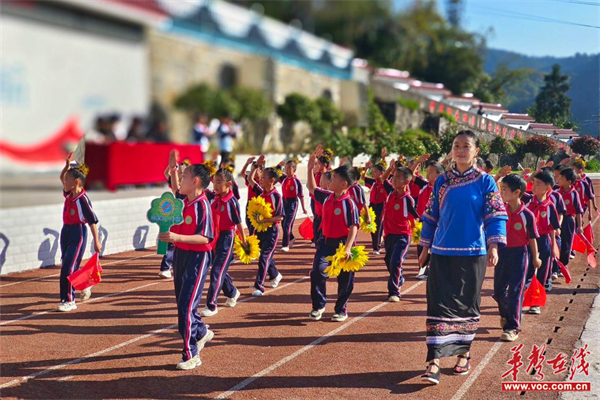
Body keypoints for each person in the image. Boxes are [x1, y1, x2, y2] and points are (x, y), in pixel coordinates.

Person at [419, 130, 508, 385]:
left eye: (465, 146)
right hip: (442, 252)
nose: (460, 150)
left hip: (472, 254)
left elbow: (496, 215)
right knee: (437, 305)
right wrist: (425, 247)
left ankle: (464, 354)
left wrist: (493, 246)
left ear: (476, 151)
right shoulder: (442, 181)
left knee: (466, 306)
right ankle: (433, 362)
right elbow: (431, 215)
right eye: (456, 146)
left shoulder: (485, 181)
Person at [158, 162, 215, 370]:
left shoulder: (202, 205)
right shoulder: (184, 202)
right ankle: (200, 331)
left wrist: (177, 236)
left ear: (195, 181)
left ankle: (191, 353)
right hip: (181, 255)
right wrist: (173, 170)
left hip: (198, 259)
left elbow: (205, 238)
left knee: (186, 306)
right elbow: (175, 190)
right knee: (183, 304)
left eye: (184, 177)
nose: (180, 181)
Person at [306, 145, 359, 322]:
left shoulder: (349, 204)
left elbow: (353, 227)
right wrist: (309, 168)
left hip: (343, 245)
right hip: (326, 243)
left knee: (345, 280)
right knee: (317, 272)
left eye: (334, 178)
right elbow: (311, 187)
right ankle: (318, 305)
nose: (330, 181)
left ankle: (341, 308)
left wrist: (348, 248)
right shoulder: (327, 196)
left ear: (343, 184)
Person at [494, 174, 540, 342]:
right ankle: (506, 315)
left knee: (515, 291)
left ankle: (513, 327)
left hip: (520, 254)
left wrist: (536, 257)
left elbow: (533, 238)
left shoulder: (527, 215)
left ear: (517, 192)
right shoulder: (500, 211)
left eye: (504, 189)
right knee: (498, 292)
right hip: (502, 254)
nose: (501, 192)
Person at [58, 152, 102, 312]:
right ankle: (84, 285)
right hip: (66, 232)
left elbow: (92, 221)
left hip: (78, 232)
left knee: (68, 267)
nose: (64, 181)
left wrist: (96, 240)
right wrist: (66, 167)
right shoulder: (69, 194)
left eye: (67, 180)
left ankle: (68, 300)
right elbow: (61, 178)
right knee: (69, 264)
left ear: (76, 182)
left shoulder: (83, 200)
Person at [201, 168, 245, 317]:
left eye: (219, 182)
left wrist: (244, 242)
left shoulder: (232, 201)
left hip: (227, 237)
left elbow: (239, 223)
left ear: (229, 184)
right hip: (214, 237)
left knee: (217, 271)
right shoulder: (213, 197)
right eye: (214, 181)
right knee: (218, 268)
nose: (215, 185)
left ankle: (211, 305)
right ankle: (232, 292)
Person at [381, 165, 419, 301]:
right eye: (393, 177)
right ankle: (399, 277)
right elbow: (382, 179)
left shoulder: (407, 199)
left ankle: (394, 291)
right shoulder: (390, 193)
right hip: (389, 235)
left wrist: (419, 229)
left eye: (397, 178)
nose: (394, 180)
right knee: (389, 261)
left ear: (406, 182)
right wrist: (389, 170)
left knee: (396, 261)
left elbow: (415, 216)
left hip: (403, 236)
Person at [248, 155, 284, 296]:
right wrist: (256, 166)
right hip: (260, 229)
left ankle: (259, 286)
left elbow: (280, 216)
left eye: (263, 178)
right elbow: (250, 179)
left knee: (264, 257)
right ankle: (275, 275)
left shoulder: (276, 196)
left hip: (272, 230)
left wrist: (265, 220)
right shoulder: (260, 192)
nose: (260, 180)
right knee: (264, 255)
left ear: (272, 181)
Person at [526, 171, 561, 303]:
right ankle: (524, 295)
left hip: (544, 240)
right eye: (533, 183)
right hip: (529, 241)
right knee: (527, 269)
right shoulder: (527, 200)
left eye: (538, 184)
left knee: (543, 271)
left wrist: (553, 246)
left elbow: (552, 227)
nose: (534, 187)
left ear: (547, 188)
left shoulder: (550, 206)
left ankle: (536, 302)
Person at [415, 161, 444, 280]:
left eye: (431, 172)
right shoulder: (424, 186)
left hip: (437, 221)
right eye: (427, 172)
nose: (427, 174)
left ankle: (433, 270)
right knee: (421, 245)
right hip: (423, 220)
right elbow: (410, 175)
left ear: (439, 175)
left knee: (435, 246)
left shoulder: (443, 189)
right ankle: (423, 269)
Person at [556, 168, 584, 269]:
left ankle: (563, 265)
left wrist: (579, 226)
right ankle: (555, 266)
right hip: (557, 221)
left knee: (566, 243)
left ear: (569, 182)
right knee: (556, 242)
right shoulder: (556, 191)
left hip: (568, 220)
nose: (558, 179)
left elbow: (578, 211)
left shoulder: (574, 194)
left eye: (561, 178)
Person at [280, 160, 307, 252]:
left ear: (294, 170)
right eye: (285, 168)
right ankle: (291, 237)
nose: (287, 170)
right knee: (283, 224)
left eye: (289, 168)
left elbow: (301, 196)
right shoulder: (283, 179)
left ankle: (285, 245)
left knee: (288, 224)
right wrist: (279, 165)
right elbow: (275, 173)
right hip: (284, 202)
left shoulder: (297, 182)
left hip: (292, 203)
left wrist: (304, 208)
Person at [363, 161, 388, 255]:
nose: (373, 174)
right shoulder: (374, 182)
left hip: (381, 206)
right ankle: (376, 243)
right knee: (371, 225)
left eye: (375, 172)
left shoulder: (385, 183)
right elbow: (363, 178)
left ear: (382, 173)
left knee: (378, 226)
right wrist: (366, 168)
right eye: (372, 172)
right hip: (372, 205)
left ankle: (376, 247)